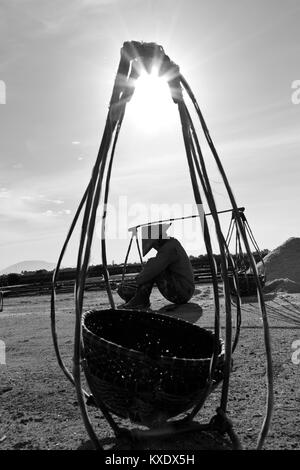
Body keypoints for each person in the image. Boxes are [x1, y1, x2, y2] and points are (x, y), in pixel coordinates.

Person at [118, 223, 195, 309]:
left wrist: (138, 279)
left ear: (158, 239)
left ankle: (141, 301)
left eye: (153, 245)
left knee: (153, 267)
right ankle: (138, 298)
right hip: (183, 290)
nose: (155, 247)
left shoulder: (169, 248)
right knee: (153, 266)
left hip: (182, 292)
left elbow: (152, 270)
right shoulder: (171, 244)